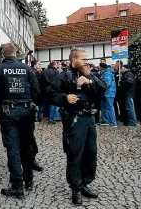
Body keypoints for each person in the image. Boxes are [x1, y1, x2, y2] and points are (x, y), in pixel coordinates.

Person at [47, 48, 106, 205]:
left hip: (89, 118)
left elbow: (103, 87)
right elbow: (49, 93)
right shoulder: (65, 76)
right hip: (74, 119)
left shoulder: (89, 74)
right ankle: (76, 188)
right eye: (83, 59)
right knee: (75, 154)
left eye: (87, 59)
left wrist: (90, 82)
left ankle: (84, 183)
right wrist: (65, 97)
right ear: (73, 61)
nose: (87, 61)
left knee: (91, 152)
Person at [0, 43, 41, 199]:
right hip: (26, 111)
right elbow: (37, 91)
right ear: (16, 53)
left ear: (3, 54)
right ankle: (29, 180)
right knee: (26, 146)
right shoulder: (27, 69)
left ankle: (17, 186)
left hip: (8, 112)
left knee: (12, 148)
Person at [29, 60, 44, 172]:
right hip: (29, 107)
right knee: (29, 136)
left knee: (30, 136)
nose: (40, 66)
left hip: (31, 107)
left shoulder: (36, 73)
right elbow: (35, 91)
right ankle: (30, 160)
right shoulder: (32, 73)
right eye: (39, 65)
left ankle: (31, 159)